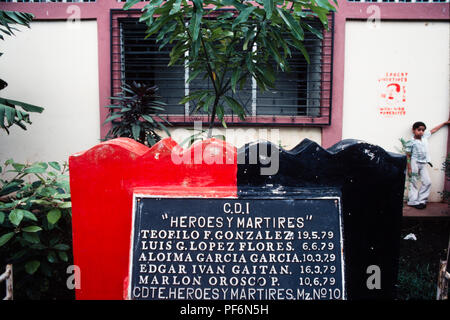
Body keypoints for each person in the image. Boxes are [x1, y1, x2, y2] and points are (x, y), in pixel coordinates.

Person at [405, 119, 450, 209]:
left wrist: (444, 123)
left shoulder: (425, 137)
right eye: (419, 130)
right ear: (413, 130)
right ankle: (413, 202)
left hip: (423, 163)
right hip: (414, 163)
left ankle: (422, 200)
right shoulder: (411, 141)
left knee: (427, 182)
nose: (421, 132)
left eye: (423, 130)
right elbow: (408, 155)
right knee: (413, 182)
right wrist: (409, 168)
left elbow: (433, 130)